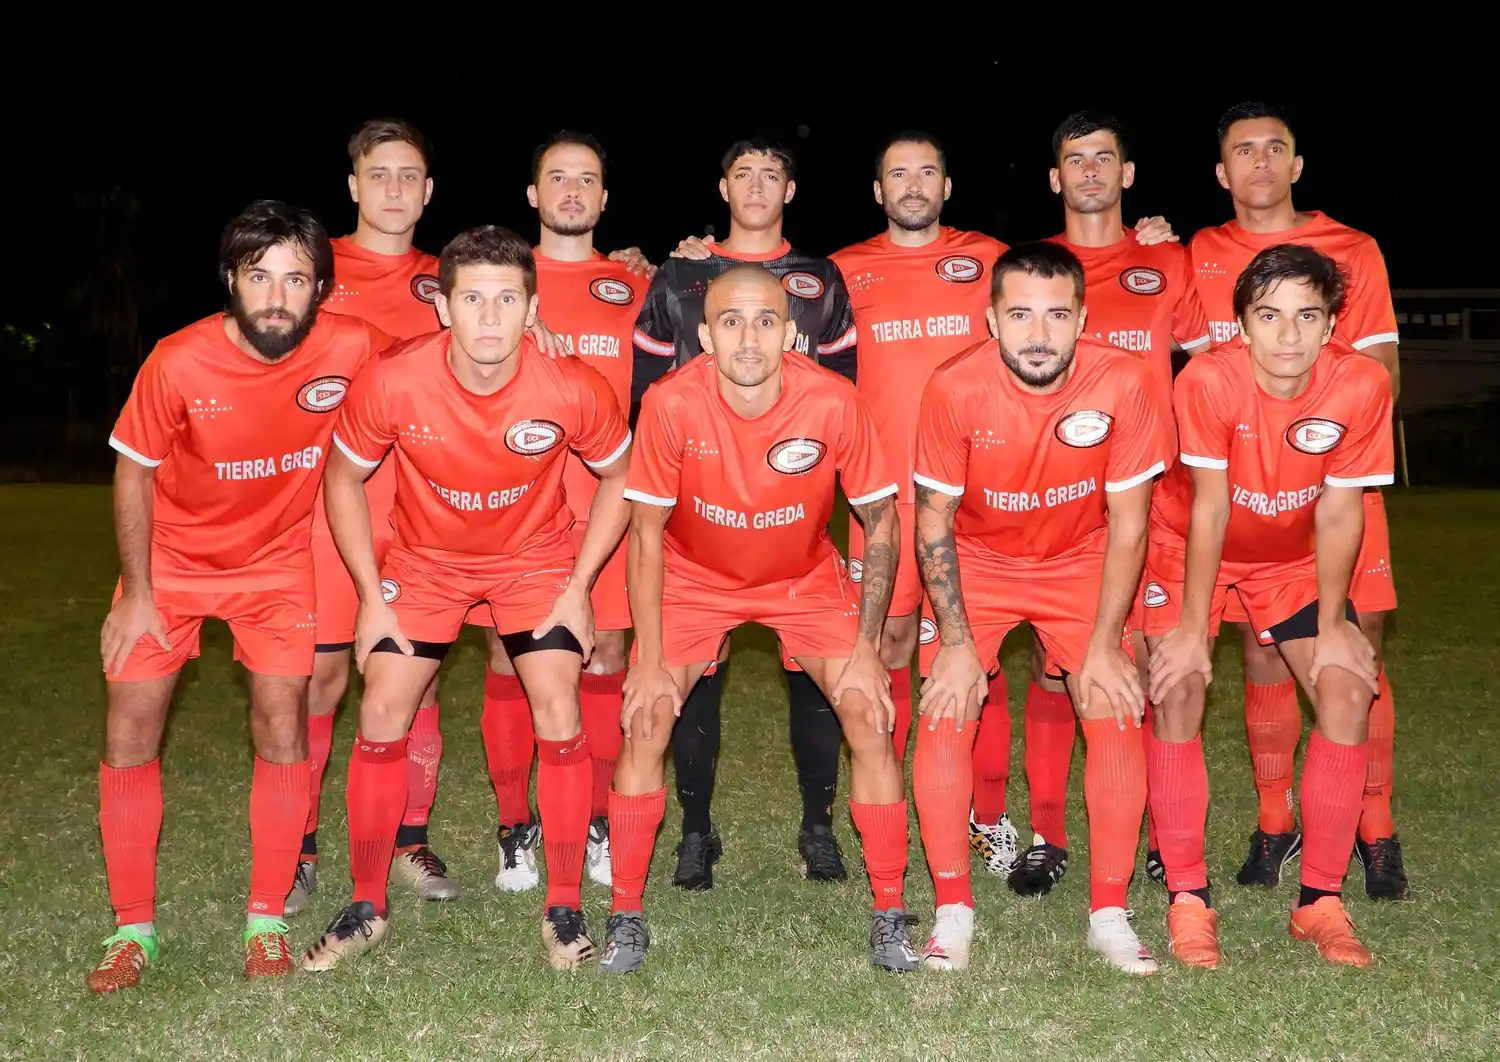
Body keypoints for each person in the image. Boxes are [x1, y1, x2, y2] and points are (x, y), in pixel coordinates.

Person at [300, 226, 632, 973]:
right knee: (383, 707)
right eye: (473, 299)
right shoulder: (393, 379)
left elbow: (622, 474)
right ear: (444, 309)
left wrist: (579, 586)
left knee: (559, 706)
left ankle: (565, 905)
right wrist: (369, 598)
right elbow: (342, 479)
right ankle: (366, 903)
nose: (489, 317)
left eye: (507, 299)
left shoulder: (570, 383)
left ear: (530, 307)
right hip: (425, 566)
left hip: (534, 561)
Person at [88, 200, 394, 992]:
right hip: (174, 565)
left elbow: (441, 359)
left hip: (275, 565)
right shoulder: (179, 360)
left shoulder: (350, 346)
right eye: (260, 276)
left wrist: (531, 335)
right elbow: (135, 469)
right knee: (131, 727)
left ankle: (265, 921)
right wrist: (137, 594)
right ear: (232, 279)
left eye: (297, 279)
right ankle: (132, 931)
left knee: (282, 722)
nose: (277, 297)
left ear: (322, 289)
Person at [605, 264, 914, 974]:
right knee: (649, 713)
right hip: (695, 576)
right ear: (705, 335)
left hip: (801, 575)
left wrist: (867, 645)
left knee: (869, 709)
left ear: (793, 333)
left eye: (767, 321)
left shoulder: (834, 401)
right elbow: (645, 532)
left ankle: (890, 911)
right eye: (732, 323)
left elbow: (880, 516)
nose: (750, 338)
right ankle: (625, 912)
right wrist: (649, 658)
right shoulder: (671, 404)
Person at [912, 242, 1170, 975]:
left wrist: (1107, 642)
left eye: (1057, 315)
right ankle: (953, 910)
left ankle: (1109, 913)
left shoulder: (1122, 381)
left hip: (1080, 557)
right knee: (945, 704)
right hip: (981, 558)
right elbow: (934, 523)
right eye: (1020, 314)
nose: (1039, 333)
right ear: (992, 319)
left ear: (1083, 318)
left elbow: (1129, 524)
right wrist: (957, 642)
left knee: (1113, 700)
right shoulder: (953, 387)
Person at [1145, 244, 1392, 968]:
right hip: (1189, 546)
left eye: (1307, 317)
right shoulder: (1209, 380)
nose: (1289, 335)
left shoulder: (1361, 383)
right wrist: (1193, 633)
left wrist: (1334, 620)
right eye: (1270, 316)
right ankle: (1188, 898)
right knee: (1178, 685)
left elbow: (1343, 511)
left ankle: (1319, 900)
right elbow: (1211, 510)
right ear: (1243, 326)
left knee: (1348, 691)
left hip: (1289, 562)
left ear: (1330, 324)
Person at [1188, 101, 1405, 900]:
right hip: (1245, 494)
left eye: (1274, 149)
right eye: (1242, 151)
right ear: (1221, 171)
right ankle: (1276, 820)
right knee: (1261, 651)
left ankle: (1373, 828)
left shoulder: (1352, 248)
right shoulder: (1198, 253)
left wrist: (1333, 437)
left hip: (1335, 478)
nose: (1259, 163)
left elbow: (1382, 369)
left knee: (1355, 647)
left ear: (1297, 164)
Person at [632, 137, 858, 890]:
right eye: (743, 173)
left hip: (793, 503)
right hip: (701, 500)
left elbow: (843, 394)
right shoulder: (680, 271)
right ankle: (696, 831)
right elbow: (646, 392)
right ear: (721, 185)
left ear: (791, 189)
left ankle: (818, 825)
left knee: (813, 671)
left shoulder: (822, 279)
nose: (757, 186)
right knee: (695, 674)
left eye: (772, 174)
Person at [1012, 110, 1211, 894]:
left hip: (1154, 496)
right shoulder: (1027, 266)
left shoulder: (1168, 259)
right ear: (1056, 178)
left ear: (1128, 175)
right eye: (1074, 159)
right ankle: (1050, 834)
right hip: (1058, 495)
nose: (1089, 170)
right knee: (1054, 666)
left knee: (1156, 665)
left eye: (1104, 158)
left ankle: (1165, 836)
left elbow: (1211, 359)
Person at [294, 117, 455, 916]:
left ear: (428, 192)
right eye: (379, 174)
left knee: (414, 679)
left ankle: (408, 840)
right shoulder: (310, 267)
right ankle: (300, 847)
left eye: (409, 176)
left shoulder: (449, 277)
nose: (394, 189)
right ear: (354, 185)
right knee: (320, 678)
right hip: (336, 502)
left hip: (426, 509)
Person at [476, 130, 643, 893]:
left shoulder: (636, 284)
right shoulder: (495, 281)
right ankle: (517, 829)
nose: (573, 192)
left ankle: (599, 823)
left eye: (588, 180)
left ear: (604, 199)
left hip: (608, 506)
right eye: (558, 179)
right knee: (509, 663)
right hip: (513, 514)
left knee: (605, 657)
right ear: (534, 195)